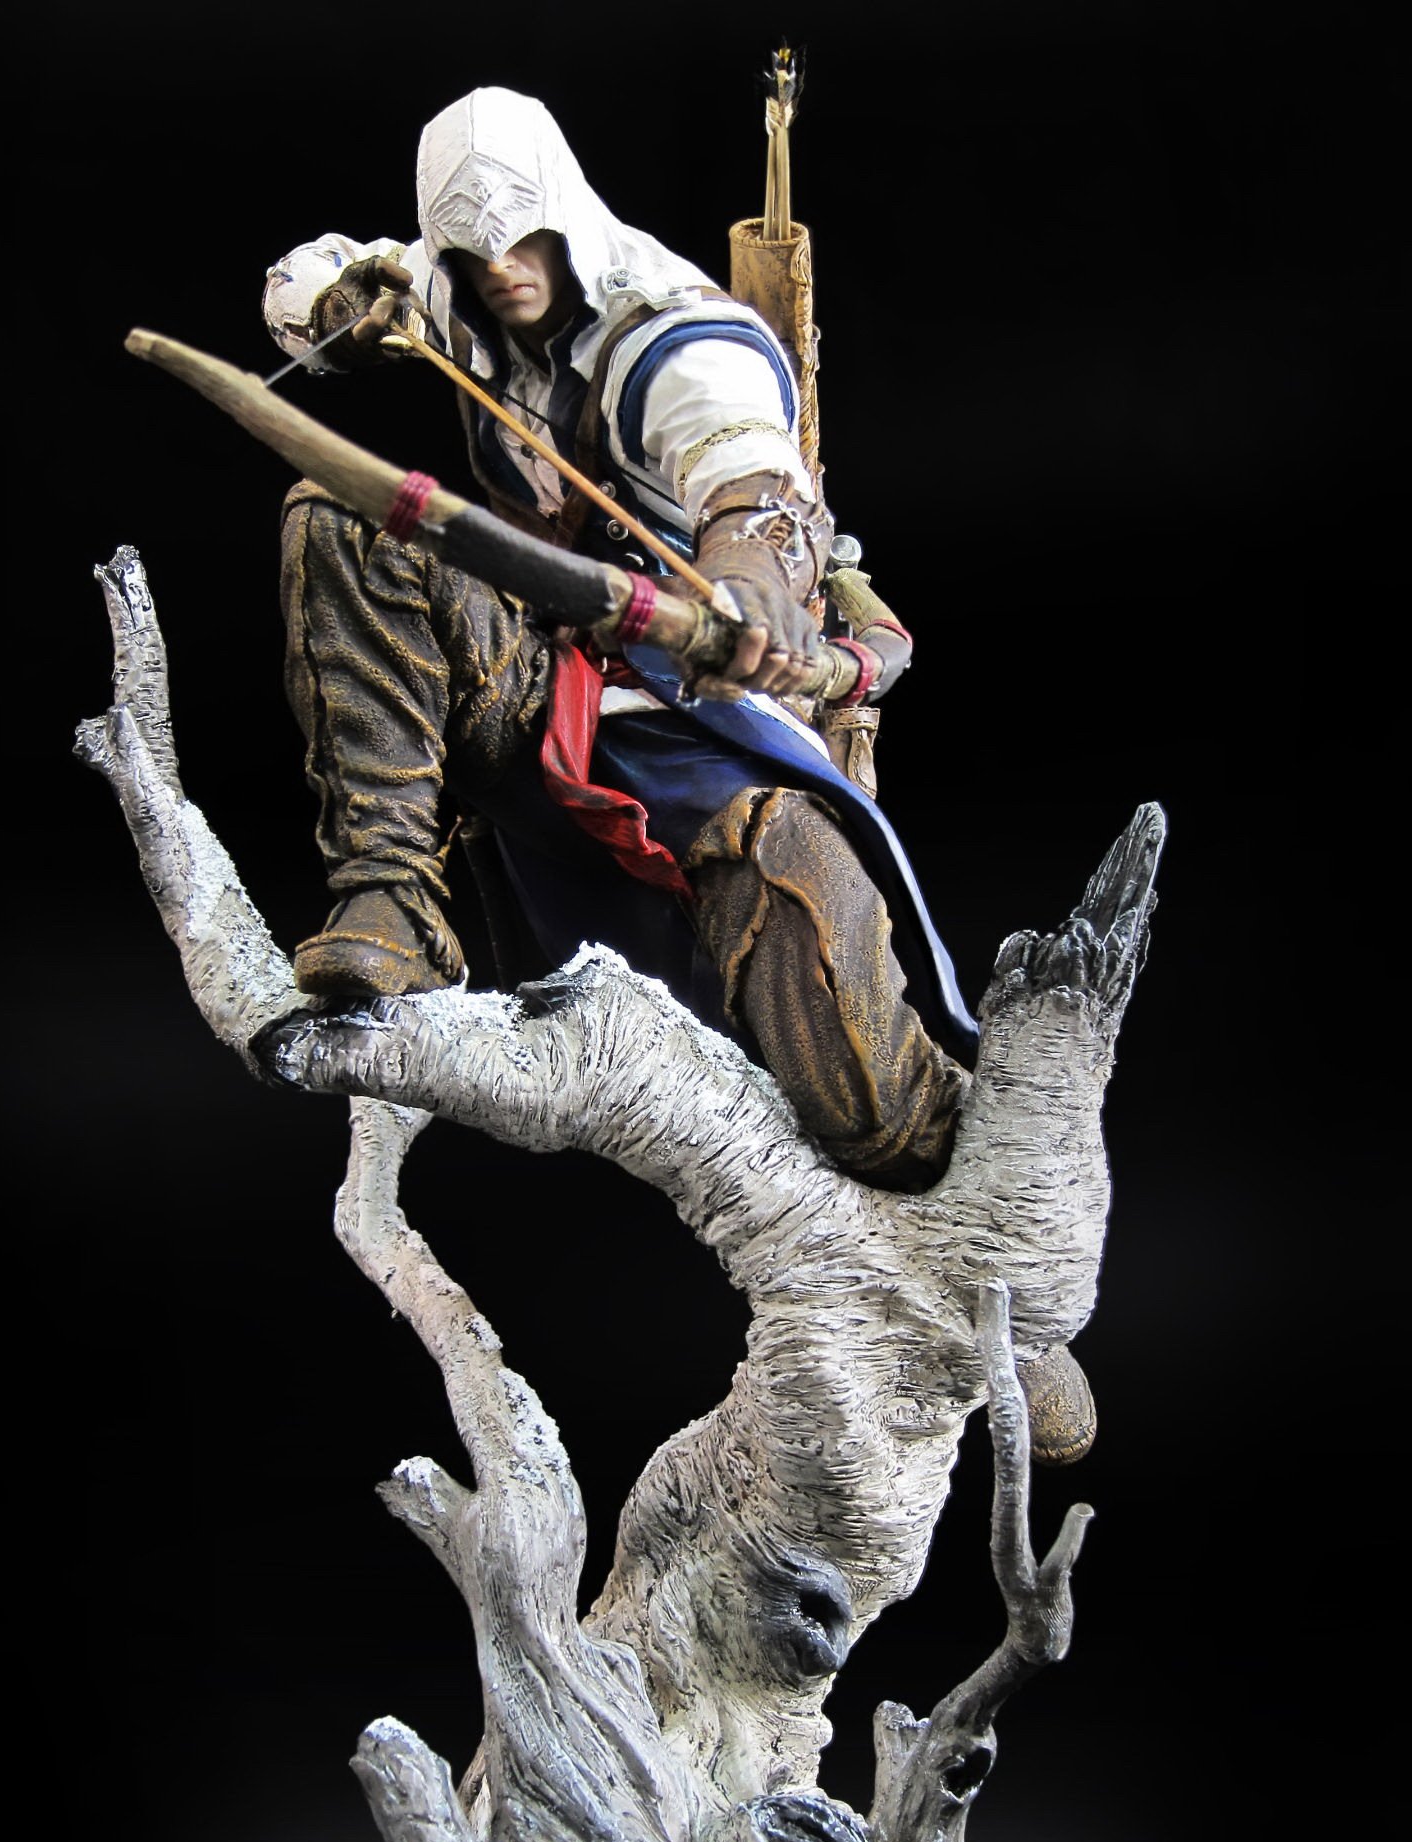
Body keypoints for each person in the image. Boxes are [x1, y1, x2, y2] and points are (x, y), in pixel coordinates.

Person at [261, 86, 976, 1192]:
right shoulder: (452, 286)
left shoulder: (678, 345)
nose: (505, 271)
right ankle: (390, 899)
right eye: (476, 252)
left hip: (687, 705)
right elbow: (305, 284)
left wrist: (744, 582)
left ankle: (919, 1138)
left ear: (565, 214)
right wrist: (339, 307)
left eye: (525, 242)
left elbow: (757, 486)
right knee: (344, 517)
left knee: (843, 1038)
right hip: (533, 671)